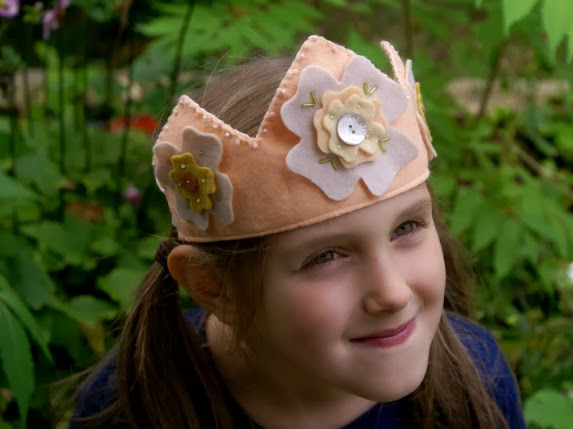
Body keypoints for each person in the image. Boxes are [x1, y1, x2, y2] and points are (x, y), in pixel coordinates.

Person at [70, 35, 526, 428]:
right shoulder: (133, 408)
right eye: (326, 256)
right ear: (215, 288)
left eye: (406, 226)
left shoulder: (475, 379)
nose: (391, 292)